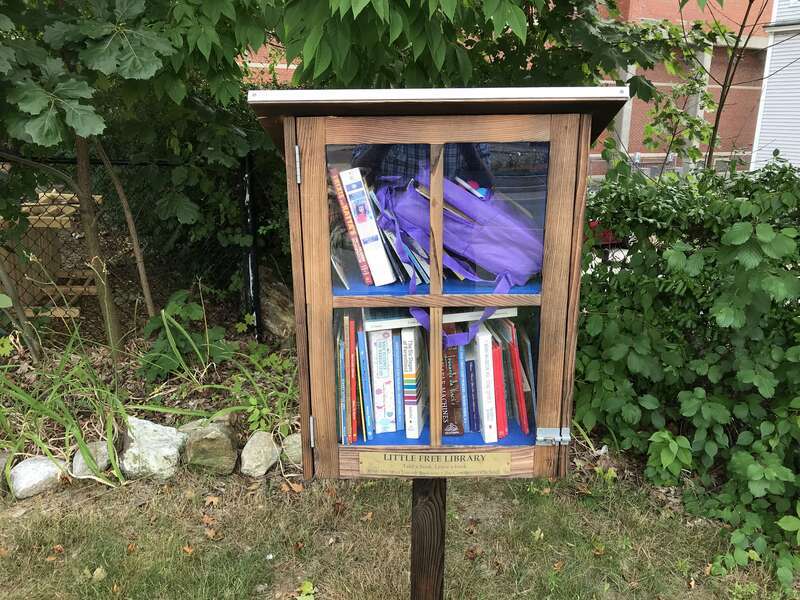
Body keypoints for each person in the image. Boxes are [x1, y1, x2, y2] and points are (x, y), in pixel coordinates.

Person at [351, 143, 493, 189]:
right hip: (393, 218)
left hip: (450, 218)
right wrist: (388, 136)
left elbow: (486, 183)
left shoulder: (468, 121)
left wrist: (464, 141)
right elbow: (357, 178)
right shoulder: (383, 116)